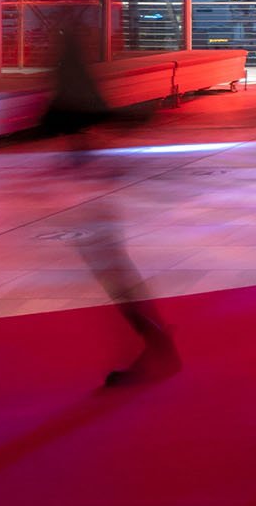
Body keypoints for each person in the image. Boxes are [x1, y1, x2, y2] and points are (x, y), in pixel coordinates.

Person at [37, 24, 180, 389]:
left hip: (87, 197)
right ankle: (155, 340)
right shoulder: (80, 91)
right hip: (91, 195)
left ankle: (157, 342)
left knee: (116, 276)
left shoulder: (68, 94)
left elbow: (69, 131)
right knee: (117, 275)